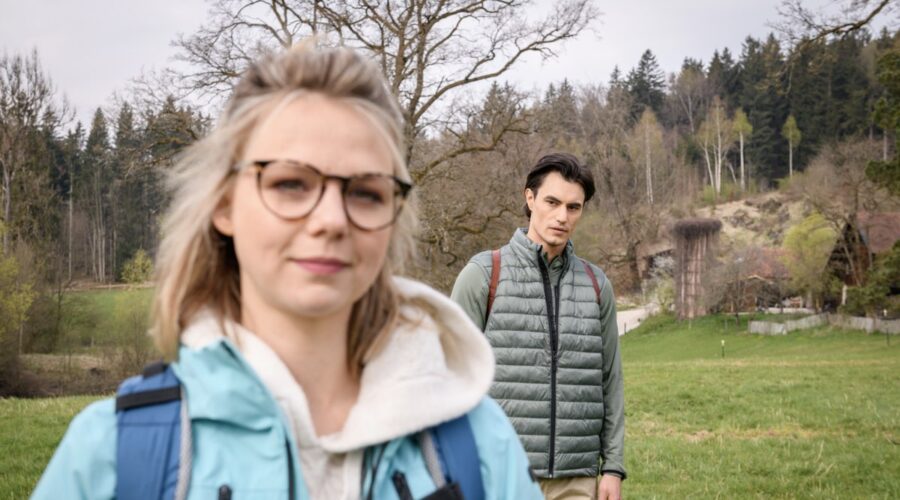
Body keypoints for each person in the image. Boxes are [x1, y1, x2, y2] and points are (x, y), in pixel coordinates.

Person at [32, 45, 541, 500]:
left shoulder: (478, 446)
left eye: (365, 192)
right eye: (291, 184)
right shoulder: (111, 458)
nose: (332, 220)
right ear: (224, 204)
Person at [450, 153, 626, 500]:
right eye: (552, 202)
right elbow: (449, 377)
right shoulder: (483, 275)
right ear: (530, 198)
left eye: (573, 207)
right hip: (500, 475)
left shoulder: (596, 285)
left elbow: (611, 381)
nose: (562, 216)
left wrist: (613, 468)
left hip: (577, 480)